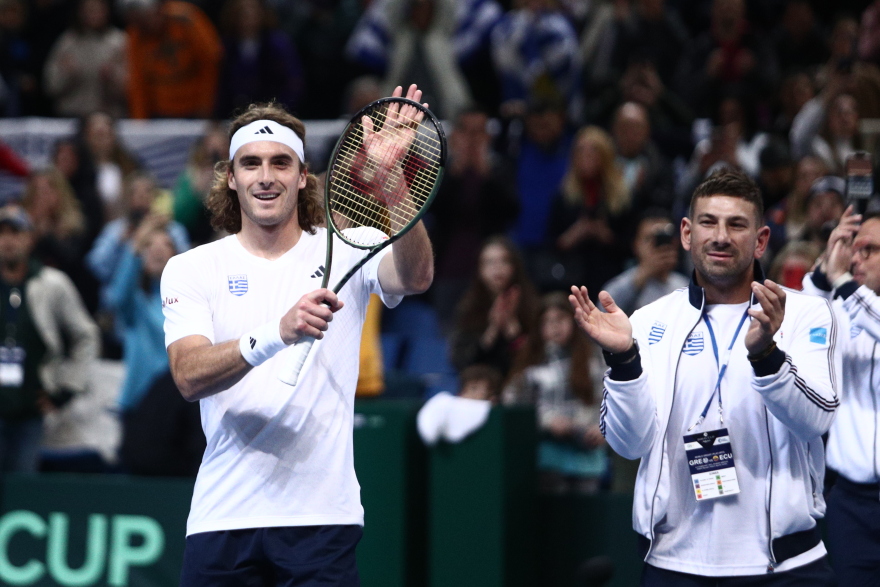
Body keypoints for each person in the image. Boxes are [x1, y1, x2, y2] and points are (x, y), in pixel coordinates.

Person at [162, 85, 434, 585]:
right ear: (231, 179)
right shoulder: (190, 269)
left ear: (302, 176)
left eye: (281, 163)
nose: (266, 177)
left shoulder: (349, 247)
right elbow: (188, 376)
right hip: (222, 519)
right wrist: (277, 332)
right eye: (251, 163)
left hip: (321, 521)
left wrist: (393, 181)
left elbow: (416, 277)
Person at [569, 168, 839, 585]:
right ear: (686, 233)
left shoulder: (804, 314)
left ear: (761, 240)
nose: (721, 237)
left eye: (737, 224)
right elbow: (628, 444)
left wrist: (767, 354)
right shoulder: (649, 321)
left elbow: (816, 419)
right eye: (709, 222)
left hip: (785, 567)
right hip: (675, 563)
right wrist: (624, 360)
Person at [802, 206, 880, 585]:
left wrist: (845, 282)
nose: (857, 258)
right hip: (851, 501)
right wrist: (823, 272)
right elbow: (798, 322)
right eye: (854, 248)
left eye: (871, 250)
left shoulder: (854, 298)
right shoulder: (840, 309)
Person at [0, 205, 100, 473]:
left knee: (23, 493)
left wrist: (67, 389)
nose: (8, 240)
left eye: (16, 233)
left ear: (30, 238)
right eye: (3, 233)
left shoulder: (51, 284)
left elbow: (86, 335)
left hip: (31, 411)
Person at [504, 292, 606, 494]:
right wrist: (547, 422)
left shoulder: (594, 359)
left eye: (560, 319)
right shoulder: (530, 363)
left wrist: (603, 429)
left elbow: (609, 400)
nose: (554, 326)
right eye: (547, 322)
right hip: (546, 459)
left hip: (588, 459)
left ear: (574, 321)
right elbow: (511, 406)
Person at [450, 236, 538, 378]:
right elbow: (460, 361)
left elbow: (539, 361)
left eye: (504, 261)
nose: (497, 268)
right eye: (489, 262)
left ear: (515, 266)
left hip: (521, 386)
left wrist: (511, 327)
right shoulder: (468, 308)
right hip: (479, 387)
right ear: (479, 270)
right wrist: (492, 330)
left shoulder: (531, 305)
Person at [603, 211, 688, 316]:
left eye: (664, 239)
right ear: (635, 244)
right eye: (649, 239)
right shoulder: (617, 288)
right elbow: (603, 318)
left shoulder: (685, 286)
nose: (657, 246)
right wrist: (644, 274)